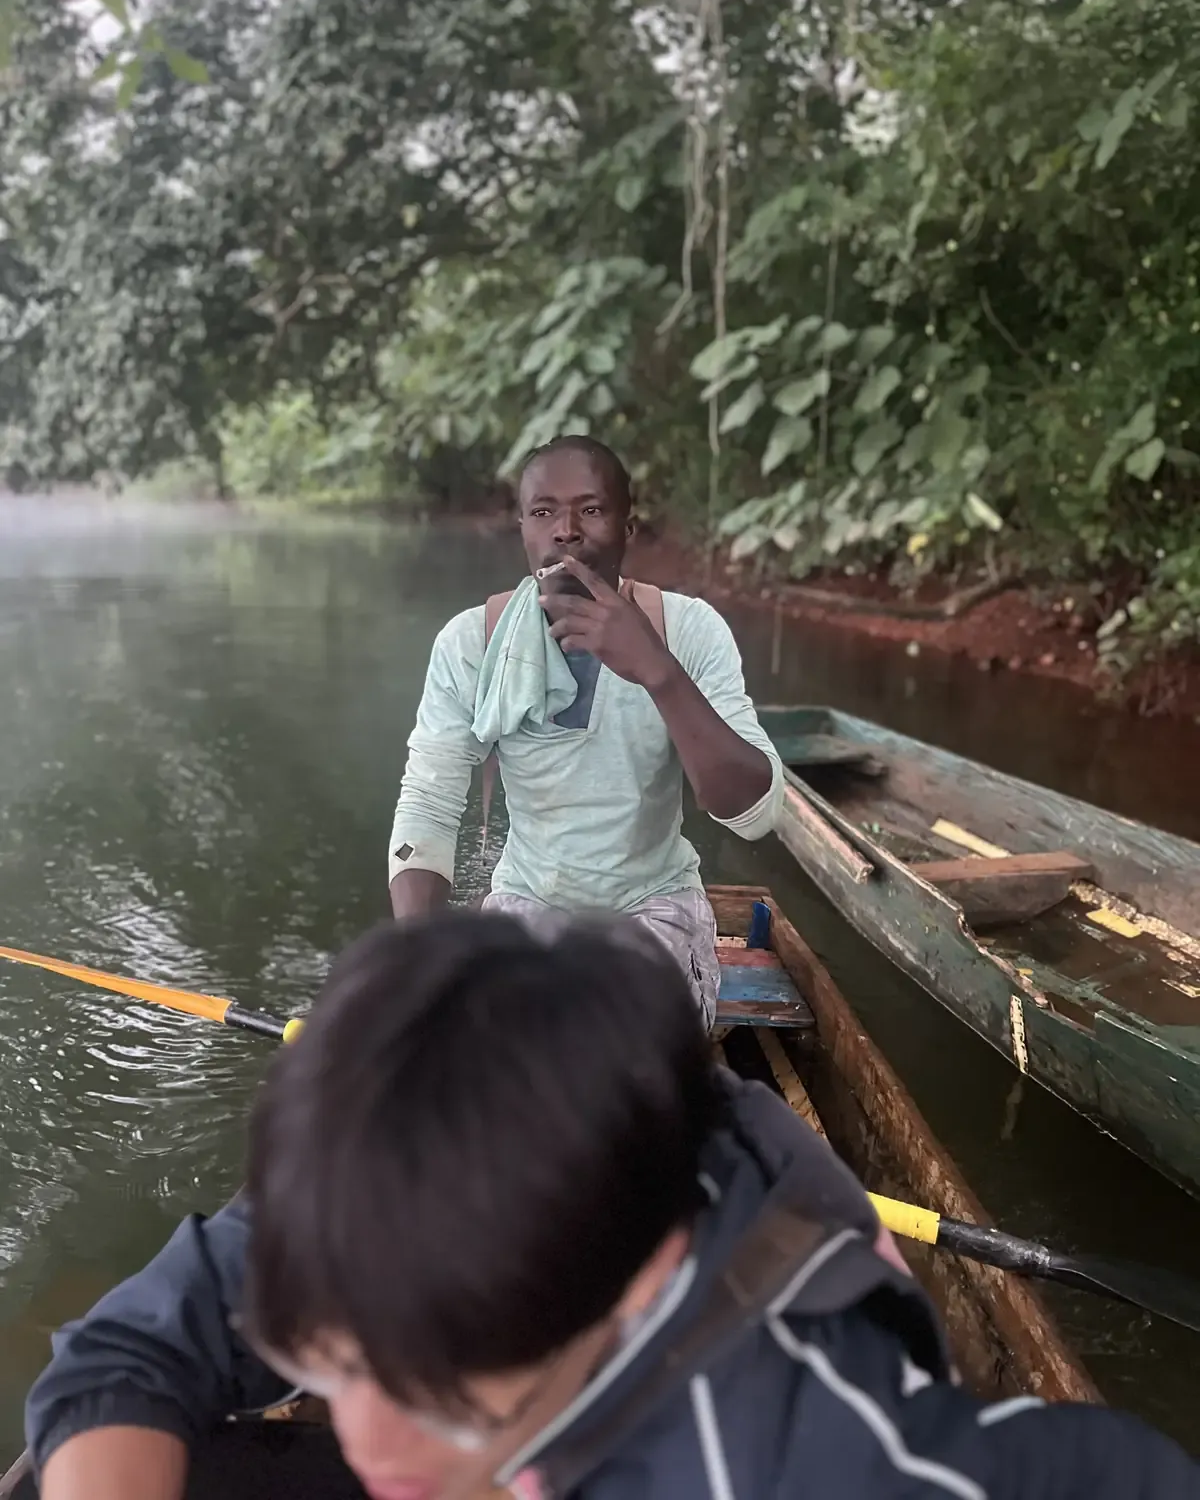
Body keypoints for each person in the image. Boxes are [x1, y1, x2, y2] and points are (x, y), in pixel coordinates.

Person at [26, 912, 1199, 1500]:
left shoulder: (787, 1449)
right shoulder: (380, 1199)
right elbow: (125, 1349)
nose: (364, 1437)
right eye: (327, 1360)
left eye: (423, 1378)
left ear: (634, 1293)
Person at [388, 434, 783, 1027]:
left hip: (652, 906)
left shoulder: (689, 630)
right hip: (527, 904)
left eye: (591, 510)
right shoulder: (473, 642)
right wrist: (418, 962)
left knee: (618, 1034)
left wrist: (657, 671)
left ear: (627, 529)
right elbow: (431, 800)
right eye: (543, 512)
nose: (565, 530)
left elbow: (754, 815)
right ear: (522, 528)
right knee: (488, 1042)